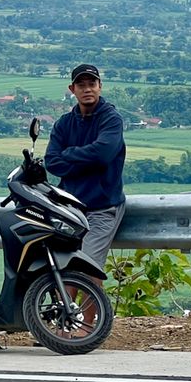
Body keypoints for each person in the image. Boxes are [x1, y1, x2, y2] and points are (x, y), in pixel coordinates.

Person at [44, 63, 127, 276]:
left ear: (100, 86)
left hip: (102, 207)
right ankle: (72, 311)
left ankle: (95, 311)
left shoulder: (111, 119)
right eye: (81, 85)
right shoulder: (64, 123)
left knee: (87, 270)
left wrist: (69, 154)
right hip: (70, 209)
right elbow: (52, 162)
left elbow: (103, 154)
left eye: (92, 84)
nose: (87, 89)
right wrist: (88, 160)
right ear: (72, 89)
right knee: (65, 272)